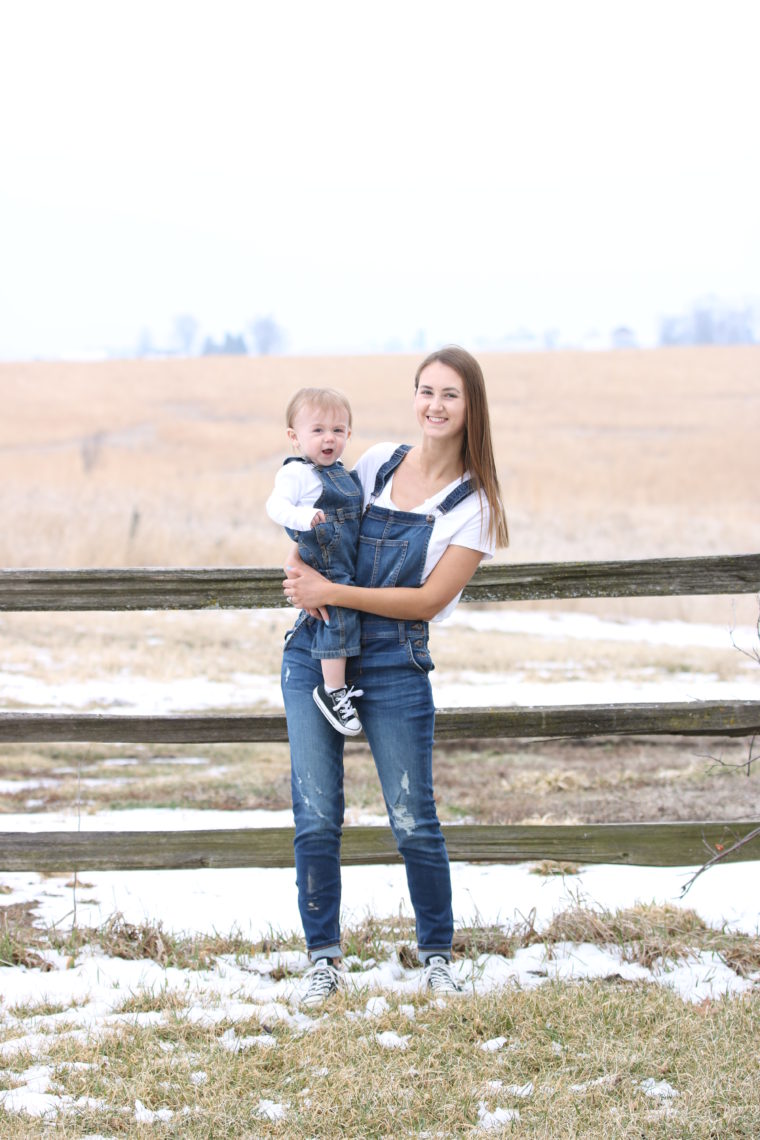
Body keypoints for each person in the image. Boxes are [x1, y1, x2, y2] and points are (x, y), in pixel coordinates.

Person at [280, 346, 509, 1005]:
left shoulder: (475, 504)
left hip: (394, 662)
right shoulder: (378, 460)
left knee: (413, 817)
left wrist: (334, 590)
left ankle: (437, 953)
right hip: (317, 651)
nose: (434, 405)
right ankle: (323, 957)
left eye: (450, 395)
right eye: (425, 390)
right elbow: (328, 528)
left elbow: (427, 602)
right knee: (316, 816)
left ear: (471, 409)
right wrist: (303, 573)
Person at [266, 387, 365, 735]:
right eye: (318, 430)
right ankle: (334, 690)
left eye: (338, 430)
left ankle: (342, 680)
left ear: (348, 434)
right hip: (322, 562)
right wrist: (302, 518)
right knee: (336, 616)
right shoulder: (296, 474)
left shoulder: (342, 472)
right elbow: (275, 507)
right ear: (295, 437)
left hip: (346, 560)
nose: (329, 438)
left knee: (348, 612)